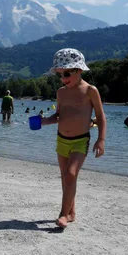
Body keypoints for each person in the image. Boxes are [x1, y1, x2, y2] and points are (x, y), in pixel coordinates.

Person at [41, 48, 106, 229]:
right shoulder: (61, 92)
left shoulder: (90, 91)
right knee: (66, 177)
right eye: (60, 75)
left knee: (71, 174)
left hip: (80, 140)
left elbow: (100, 117)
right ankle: (71, 213)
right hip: (62, 140)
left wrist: (101, 139)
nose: (63, 78)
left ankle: (63, 214)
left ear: (79, 70)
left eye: (67, 73)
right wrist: (44, 121)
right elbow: (58, 116)